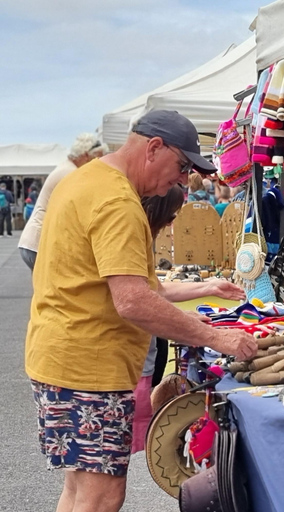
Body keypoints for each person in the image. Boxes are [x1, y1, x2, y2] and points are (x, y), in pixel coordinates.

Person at [25, 110, 258, 512]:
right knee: (101, 496)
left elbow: (126, 287)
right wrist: (217, 337)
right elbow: (132, 300)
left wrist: (192, 310)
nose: (184, 179)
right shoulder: (118, 201)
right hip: (89, 369)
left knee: (80, 490)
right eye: (182, 165)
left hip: (59, 358)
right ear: (154, 147)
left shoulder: (84, 180)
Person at [132, 186, 246, 453]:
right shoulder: (133, 235)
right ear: (156, 210)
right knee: (108, 476)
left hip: (136, 360)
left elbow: (155, 291)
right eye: (172, 217)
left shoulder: (141, 236)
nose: (173, 224)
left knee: (113, 471)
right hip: (128, 363)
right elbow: (138, 301)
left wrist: (210, 288)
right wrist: (204, 331)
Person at [18, 133, 104, 270]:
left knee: (44, 288)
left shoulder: (66, 168)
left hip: (33, 241)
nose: (99, 161)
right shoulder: (71, 174)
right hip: (40, 243)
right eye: (97, 157)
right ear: (86, 155)